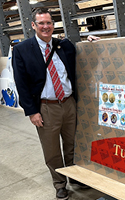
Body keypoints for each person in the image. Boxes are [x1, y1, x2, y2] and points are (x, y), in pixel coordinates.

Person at [12, 8, 87, 200]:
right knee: (52, 149)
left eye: (49, 23)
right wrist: (32, 111)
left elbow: (82, 53)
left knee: (72, 144)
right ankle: (60, 183)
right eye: (41, 23)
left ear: (53, 25)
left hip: (69, 103)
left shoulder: (64, 45)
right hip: (46, 107)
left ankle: (75, 176)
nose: (46, 27)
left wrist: (92, 42)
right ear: (34, 25)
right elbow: (21, 83)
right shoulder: (22, 50)